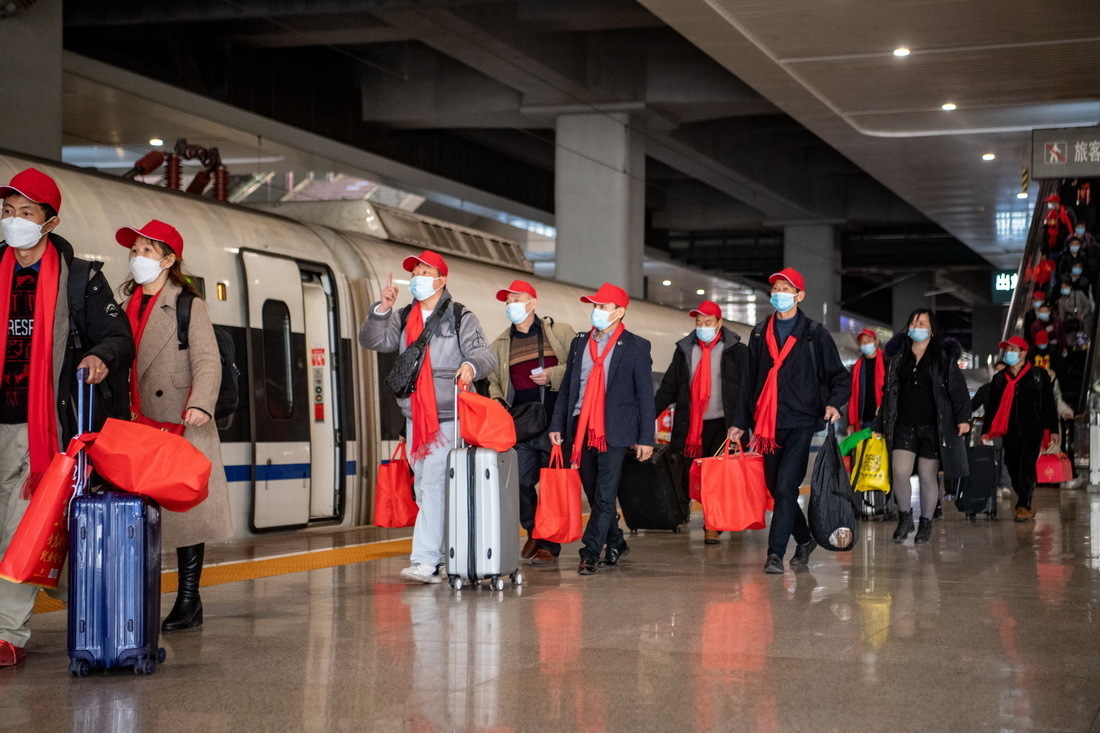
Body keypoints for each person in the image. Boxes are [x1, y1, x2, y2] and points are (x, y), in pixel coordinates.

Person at [0, 168, 133, 667]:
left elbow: (119, 338)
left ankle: (7, 633)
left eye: (25, 214)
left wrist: (100, 357)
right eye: (8, 213)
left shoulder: (80, 279)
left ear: (49, 222)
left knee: (19, 528)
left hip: (40, 430)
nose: (14, 223)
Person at [116, 219, 232, 631]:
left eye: (147, 251)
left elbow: (207, 360)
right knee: (135, 512)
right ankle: (134, 594)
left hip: (180, 421)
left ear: (168, 260)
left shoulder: (187, 303)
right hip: (134, 423)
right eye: (135, 251)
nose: (138, 258)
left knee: (186, 513)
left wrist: (200, 404)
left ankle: (188, 599)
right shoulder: (122, 303)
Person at [359, 250, 495, 583]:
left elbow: (485, 354)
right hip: (415, 419)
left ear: (441, 279)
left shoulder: (461, 316)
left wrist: (470, 365)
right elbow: (372, 340)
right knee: (424, 488)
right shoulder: (404, 316)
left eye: (424, 271)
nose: (417, 277)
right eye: (415, 271)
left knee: (433, 486)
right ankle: (451, 554)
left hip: (449, 418)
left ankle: (425, 560)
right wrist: (382, 310)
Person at [729, 268, 850, 574]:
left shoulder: (814, 334)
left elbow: (839, 375)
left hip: (801, 420)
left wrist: (834, 403)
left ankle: (775, 554)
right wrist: (740, 422)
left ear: (799, 296)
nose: (778, 294)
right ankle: (805, 539)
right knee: (777, 488)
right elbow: (748, 382)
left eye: (786, 289)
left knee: (786, 486)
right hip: (767, 424)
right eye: (776, 288)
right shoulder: (759, 334)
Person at [548, 283, 655, 576]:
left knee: (605, 495)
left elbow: (645, 395)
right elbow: (569, 386)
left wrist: (646, 437)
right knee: (594, 494)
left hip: (615, 432)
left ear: (619, 312)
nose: (597, 312)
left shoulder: (636, 346)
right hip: (580, 428)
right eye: (595, 306)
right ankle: (617, 541)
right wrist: (558, 423)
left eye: (603, 307)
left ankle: (590, 552)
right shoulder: (580, 343)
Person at [486, 279, 575, 566]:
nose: (512, 305)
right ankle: (534, 529)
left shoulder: (558, 332)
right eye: (508, 301)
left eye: (517, 299)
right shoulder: (501, 342)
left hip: (553, 423)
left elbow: (577, 367)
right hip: (521, 423)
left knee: (552, 484)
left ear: (533, 303)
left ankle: (551, 544)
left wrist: (553, 375)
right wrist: (498, 400)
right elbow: (492, 380)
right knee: (521, 482)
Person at [873, 309, 971, 543]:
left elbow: (958, 390)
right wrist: (879, 423)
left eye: (922, 323)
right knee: (899, 471)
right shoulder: (898, 358)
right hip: (904, 424)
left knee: (928, 476)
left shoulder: (943, 358)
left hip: (933, 427)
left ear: (932, 330)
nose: (916, 326)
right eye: (913, 322)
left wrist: (963, 418)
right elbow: (889, 394)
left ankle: (925, 523)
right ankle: (905, 517)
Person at [653, 300, 747, 545]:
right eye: (698, 323)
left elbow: (748, 391)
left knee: (716, 477)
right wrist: (647, 416)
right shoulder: (685, 350)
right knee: (687, 475)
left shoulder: (737, 351)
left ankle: (712, 524)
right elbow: (669, 388)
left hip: (724, 425)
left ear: (719, 323)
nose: (702, 327)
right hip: (691, 426)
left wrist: (745, 422)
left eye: (708, 322)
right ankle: (688, 513)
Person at [982, 336, 1059, 522]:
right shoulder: (999, 379)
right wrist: (985, 430)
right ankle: (1025, 497)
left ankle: (1023, 505)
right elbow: (992, 406)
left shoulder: (1038, 375)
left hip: (1033, 429)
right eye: (1007, 350)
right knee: (1012, 463)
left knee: (1026, 464)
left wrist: (1053, 429)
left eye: (1012, 350)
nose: (1008, 353)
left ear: (1023, 353)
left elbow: (1049, 404)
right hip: (1009, 429)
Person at [847, 328, 884, 433]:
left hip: (883, 419)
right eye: (862, 342)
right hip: (865, 420)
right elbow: (853, 396)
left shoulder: (887, 362)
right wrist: (851, 423)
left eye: (869, 341)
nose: (865, 344)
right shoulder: (856, 367)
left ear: (876, 342)